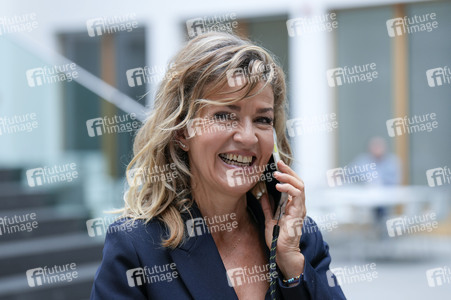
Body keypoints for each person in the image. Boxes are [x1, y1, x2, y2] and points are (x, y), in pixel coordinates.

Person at [90, 32, 346, 300]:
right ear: (181, 132)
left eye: (262, 120)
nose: (248, 137)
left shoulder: (300, 238)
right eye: (225, 115)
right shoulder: (136, 246)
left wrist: (292, 268)